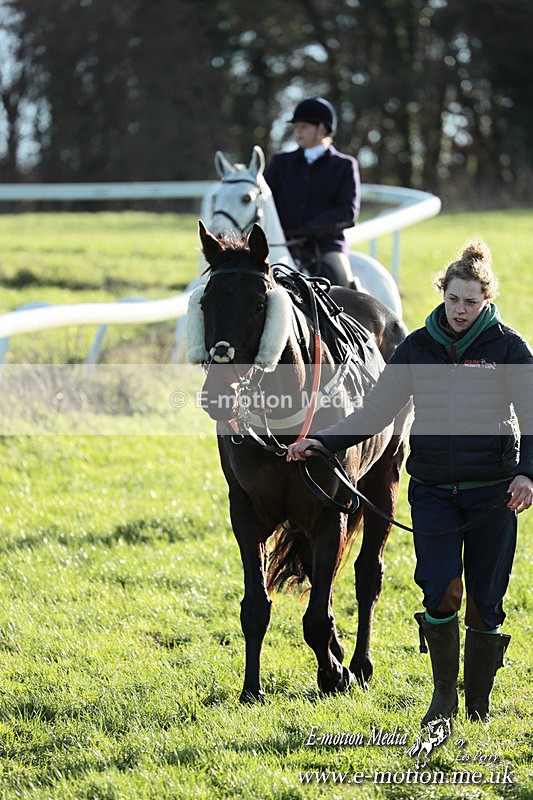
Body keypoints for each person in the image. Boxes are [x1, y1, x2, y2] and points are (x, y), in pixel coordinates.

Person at [286, 240, 533, 724]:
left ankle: (477, 705)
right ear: (442, 295)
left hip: (494, 494)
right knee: (439, 591)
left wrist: (527, 473)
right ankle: (443, 699)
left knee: (486, 602)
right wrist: (322, 442)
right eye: (453, 300)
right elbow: (377, 410)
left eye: (471, 302)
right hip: (434, 492)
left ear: (486, 301)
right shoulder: (418, 347)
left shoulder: (509, 348)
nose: (460, 311)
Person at [264, 96, 360, 289]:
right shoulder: (280, 162)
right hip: (280, 243)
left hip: (325, 247)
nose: (297, 131)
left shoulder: (344, 165)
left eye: (304, 126)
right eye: (296, 126)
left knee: (342, 281)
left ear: (323, 129)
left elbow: (347, 211)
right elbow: (266, 202)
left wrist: (307, 228)